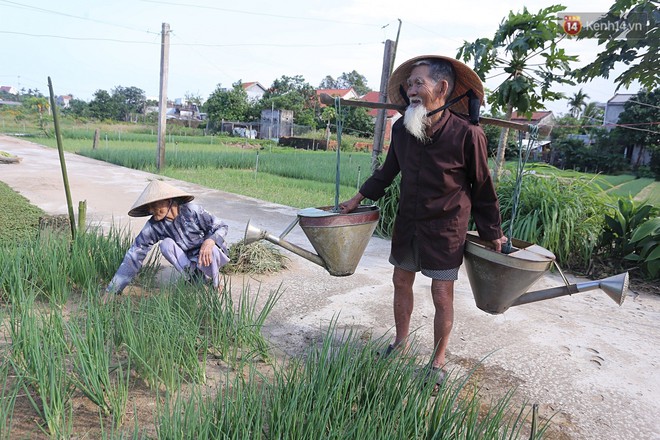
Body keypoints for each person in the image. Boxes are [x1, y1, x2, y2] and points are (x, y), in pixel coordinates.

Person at [340, 55, 507, 385]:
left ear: (442, 88)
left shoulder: (468, 135)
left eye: (420, 83)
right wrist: (357, 199)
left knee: (442, 294)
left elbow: (483, 187)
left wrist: (494, 233)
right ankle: (401, 344)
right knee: (400, 282)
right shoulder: (403, 128)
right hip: (409, 223)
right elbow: (388, 172)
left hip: (446, 229)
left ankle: (438, 360)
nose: (412, 90)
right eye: (410, 84)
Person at [104, 179, 229, 300]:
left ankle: (216, 282)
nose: (152, 210)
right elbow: (134, 254)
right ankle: (195, 278)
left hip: (211, 254)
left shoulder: (192, 210)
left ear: (168, 200)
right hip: (191, 259)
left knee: (211, 248)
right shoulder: (154, 226)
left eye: (155, 205)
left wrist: (210, 241)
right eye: (149, 207)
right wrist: (113, 290)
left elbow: (222, 226)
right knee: (166, 244)